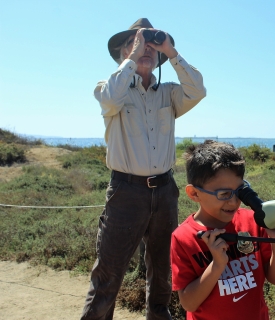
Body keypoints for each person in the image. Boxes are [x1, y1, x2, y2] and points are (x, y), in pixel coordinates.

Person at [80, 18, 206, 320]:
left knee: (163, 271)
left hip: (165, 191)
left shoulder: (169, 93)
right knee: (108, 274)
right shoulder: (109, 88)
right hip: (126, 192)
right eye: (134, 43)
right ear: (122, 53)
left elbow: (198, 90)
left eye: (151, 45)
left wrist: (171, 53)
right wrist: (135, 56)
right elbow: (110, 98)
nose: (145, 48)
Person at [170, 140, 275, 320]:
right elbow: (188, 303)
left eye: (240, 191)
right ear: (195, 194)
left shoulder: (252, 221)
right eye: (224, 194)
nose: (234, 202)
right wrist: (217, 265)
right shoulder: (184, 237)